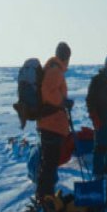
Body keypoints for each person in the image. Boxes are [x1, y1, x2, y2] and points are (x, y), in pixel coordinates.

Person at [36, 42, 74, 203]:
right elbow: (48, 93)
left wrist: (63, 102)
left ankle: (45, 196)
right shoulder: (55, 71)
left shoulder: (53, 69)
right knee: (49, 165)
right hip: (51, 124)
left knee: (49, 163)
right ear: (66, 57)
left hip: (51, 124)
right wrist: (63, 103)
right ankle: (46, 199)